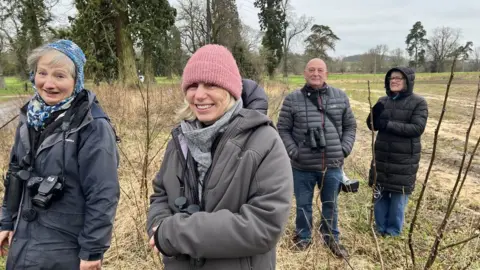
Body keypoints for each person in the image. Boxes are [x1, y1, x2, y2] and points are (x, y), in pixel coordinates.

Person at [146, 44, 293, 269]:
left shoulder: (264, 142)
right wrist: (158, 226)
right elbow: (161, 195)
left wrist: (175, 233)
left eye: (211, 84)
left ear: (231, 90)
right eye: (193, 85)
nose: (199, 95)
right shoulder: (180, 140)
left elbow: (264, 225)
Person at [0, 40, 120, 270]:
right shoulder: (29, 117)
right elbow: (15, 173)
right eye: (42, 73)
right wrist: (6, 221)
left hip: (65, 250)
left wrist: (93, 250)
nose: (48, 83)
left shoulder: (92, 125)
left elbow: (103, 193)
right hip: (23, 244)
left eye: (60, 76)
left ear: (76, 81)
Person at [277, 58, 356, 257]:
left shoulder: (340, 97)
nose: (316, 74)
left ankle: (331, 238)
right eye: (311, 70)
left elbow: (350, 126)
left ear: (326, 74)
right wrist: (295, 152)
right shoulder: (292, 99)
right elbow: (283, 130)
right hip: (301, 166)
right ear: (305, 73)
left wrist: (344, 149)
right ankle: (303, 237)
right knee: (303, 204)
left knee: (331, 205)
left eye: (320, 70)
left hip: (332, 165)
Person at [366, 67, 428, 237]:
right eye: (391, 78)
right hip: (382, 157)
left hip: (403, 160)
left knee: (398, 198)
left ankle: (393, 233)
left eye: (398, 78)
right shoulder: (382, 101)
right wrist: (372, 119)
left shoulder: (418, 103)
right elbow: (373, 126)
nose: (394, 81)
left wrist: (388, 125)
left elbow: (417, 128)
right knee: (380, 195)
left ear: (408, 81)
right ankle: (379, 229)